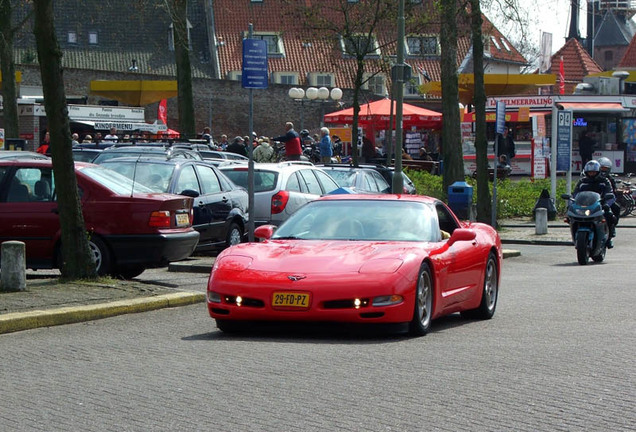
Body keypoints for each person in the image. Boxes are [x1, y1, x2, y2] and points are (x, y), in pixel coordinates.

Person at [573, 160, 617, 247]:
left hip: (600, 205)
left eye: (593, 172)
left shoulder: (605, 181)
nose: (591, 174)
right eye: (590, 172)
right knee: (571, 217)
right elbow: (575, 194)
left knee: (609, 215)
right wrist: (572, 202)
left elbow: (610, 194)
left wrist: (607, 204)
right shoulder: (582, 182)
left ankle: (609, 236)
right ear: (586, 172)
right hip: (584, 206)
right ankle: (575, 235)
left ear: (598, 172)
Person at [598, 156, 621, 228]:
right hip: (593, 201)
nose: (603, 171)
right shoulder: (592, 178)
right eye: (602, 168)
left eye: (605, 169)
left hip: (605, 200)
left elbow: (613, 191)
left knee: (616, 208)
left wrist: (609, 200)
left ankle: (612, 227)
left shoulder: (610, 179)